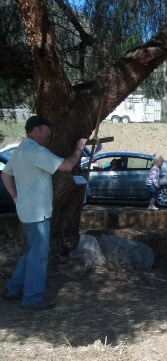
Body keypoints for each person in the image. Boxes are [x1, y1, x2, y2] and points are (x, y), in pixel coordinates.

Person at [1, 115, 87, 310]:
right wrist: (79, 147)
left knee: (30, 251)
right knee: (38, 256)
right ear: (37, 129)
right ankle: (31, 299)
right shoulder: (35, 151)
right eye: (47, 129)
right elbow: (66, 166)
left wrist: (15, 197)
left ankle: (13, 289)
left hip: (26, 210)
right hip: (37, 213)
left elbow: (5, 174)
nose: (49, 133)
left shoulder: (21, 150)